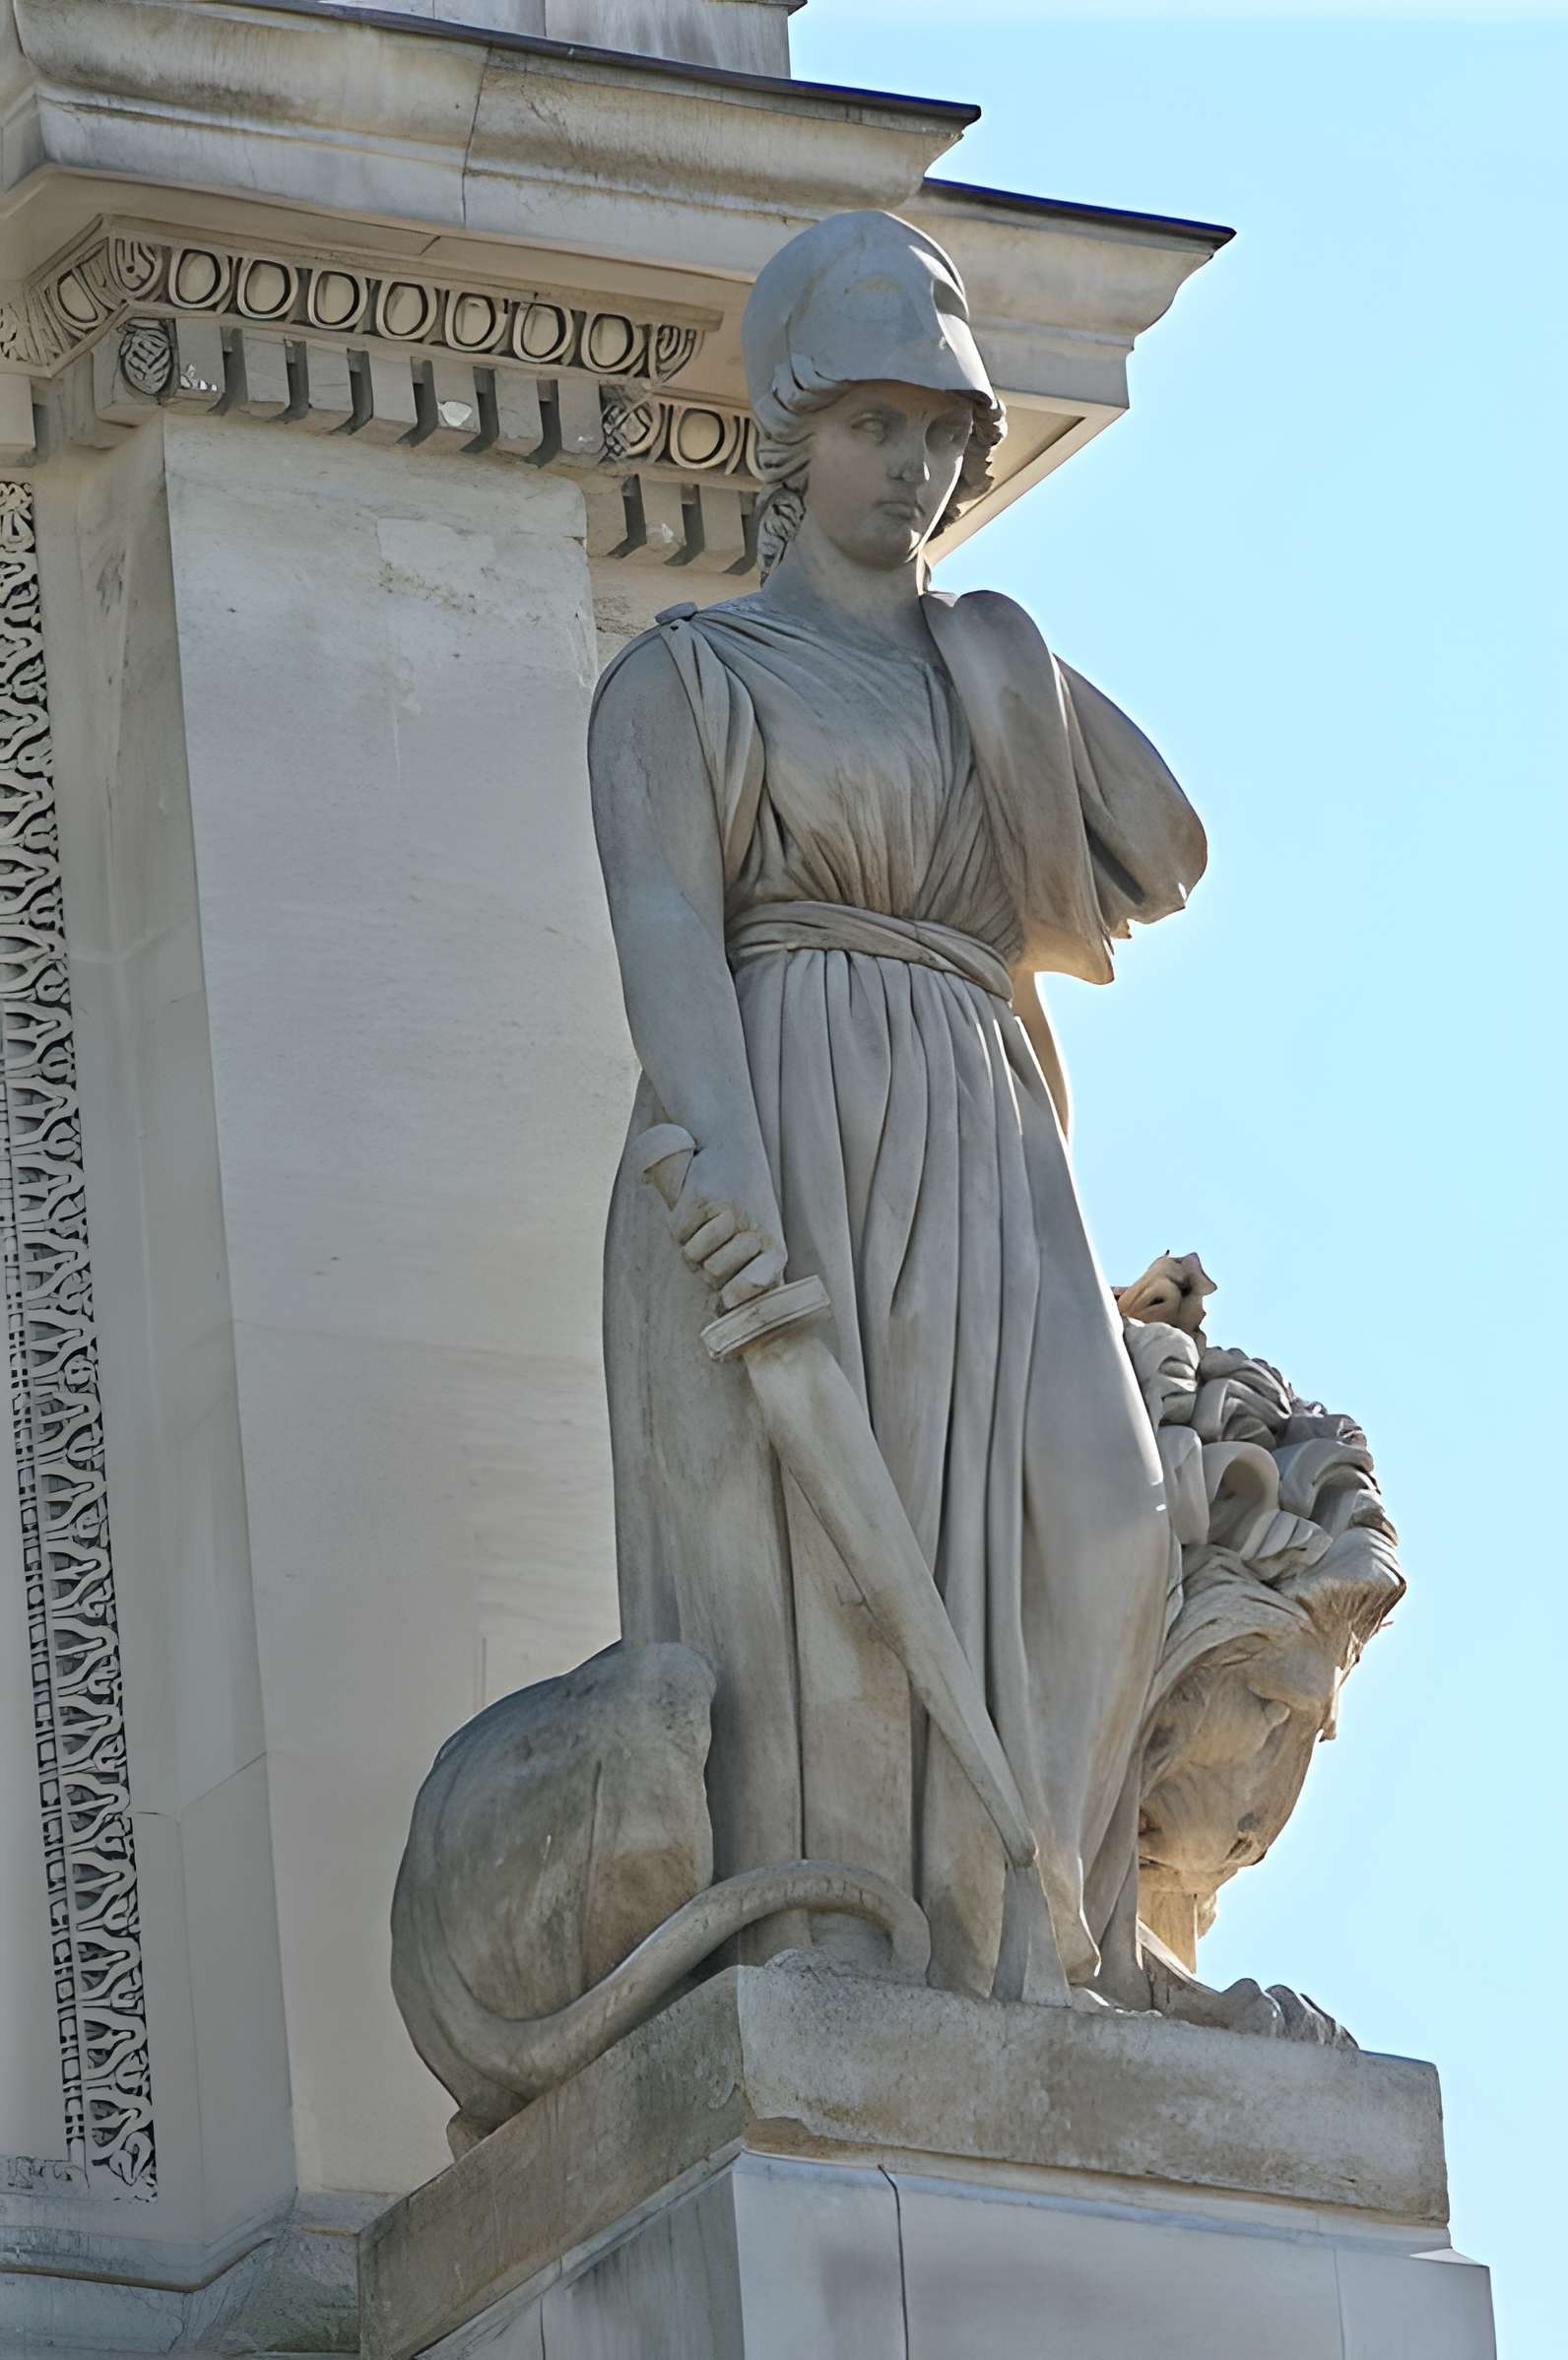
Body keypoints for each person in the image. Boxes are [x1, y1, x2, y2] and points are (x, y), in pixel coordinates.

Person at [588, 211, 1207, 2001]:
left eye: (944, 434)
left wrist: (1005, 647)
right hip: (794, 1101)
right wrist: (728, 1167)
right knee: (836, 1581)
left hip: (982, 1112)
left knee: (1103, 1525)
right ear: (791, 436)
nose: (915, 468)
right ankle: (903, 1940)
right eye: (876, 425)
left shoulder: (980, 666)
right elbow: (663, 937)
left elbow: (1164, 853)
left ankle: (1054, 1931)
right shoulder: (685, 681)